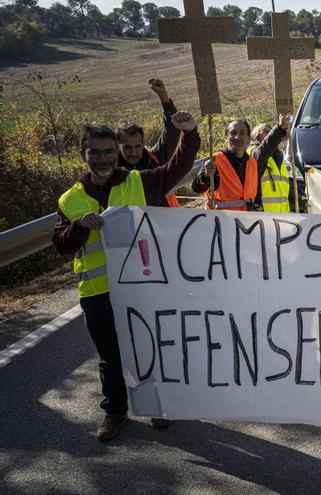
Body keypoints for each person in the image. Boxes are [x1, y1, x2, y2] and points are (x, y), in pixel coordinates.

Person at [51, 113, 199, 441]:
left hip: (139, 289)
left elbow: (178, 167)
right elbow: (60, 245)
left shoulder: (139, 183)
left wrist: (188, 133)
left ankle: (155, 406)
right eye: (95, 152)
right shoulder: (70, 199)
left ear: (117, 153)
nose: (102, 158)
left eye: (108, 151)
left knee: (147, 347)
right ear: (83, 155)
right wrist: (78, 228)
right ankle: (116, 411)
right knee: (110, 355)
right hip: (97, 291)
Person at [191, 113, 290, 211]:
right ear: (226, 137)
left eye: (242, 133)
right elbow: (197, 188)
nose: (237, 137)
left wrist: (257, 206)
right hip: (220, 223)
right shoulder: (215, 161)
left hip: (248, 224)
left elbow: (256, 195)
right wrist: (206, 175)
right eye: (233, 133)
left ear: (248, 138)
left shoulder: (252, 164)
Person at [116, 78, 181, 207]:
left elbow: (172, 132)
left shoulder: (155, 158)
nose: (134, 152)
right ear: (118, 147)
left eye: (138, 146)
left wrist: (164, 98)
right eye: (128, 148)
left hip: (168, 223)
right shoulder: (111, 172)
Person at [247, 122, 293, 213]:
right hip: (265, 217)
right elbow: (266, 147)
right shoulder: (254, 154)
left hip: (283, 217)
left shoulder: (279, 158)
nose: (271, 133)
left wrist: (300, 201)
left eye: (272, 131)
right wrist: (279, 128)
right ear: (257, 135)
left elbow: (283, 191)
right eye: (267, 132)